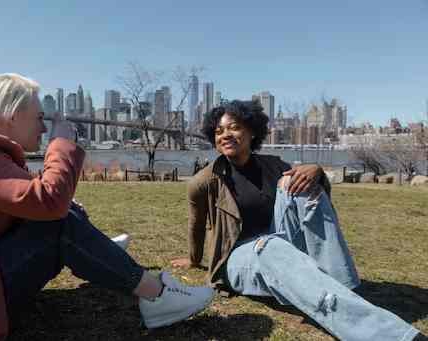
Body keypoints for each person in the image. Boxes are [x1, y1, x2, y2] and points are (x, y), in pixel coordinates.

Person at [0, 73, 213, 340]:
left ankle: (98, 253)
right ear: (11, 115)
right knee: (57, 221)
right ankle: (157, 296)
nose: (44, 127)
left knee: (66, 211)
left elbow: (30, 200)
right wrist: (61, 143)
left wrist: (62, 205)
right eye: (38, 117)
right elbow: (49, 202)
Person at [171, 100, 426, 341]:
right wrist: (194, 260)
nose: (225, 135)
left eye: (234, 127)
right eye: (218, 131)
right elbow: (196, 224)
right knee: (269, 246)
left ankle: (342, 288)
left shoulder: (273, 165)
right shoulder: (205, 180)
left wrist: (316, 172)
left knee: (302, 182)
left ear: (252, 133)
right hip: (239, 258)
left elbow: (311, 205)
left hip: (283, 242)